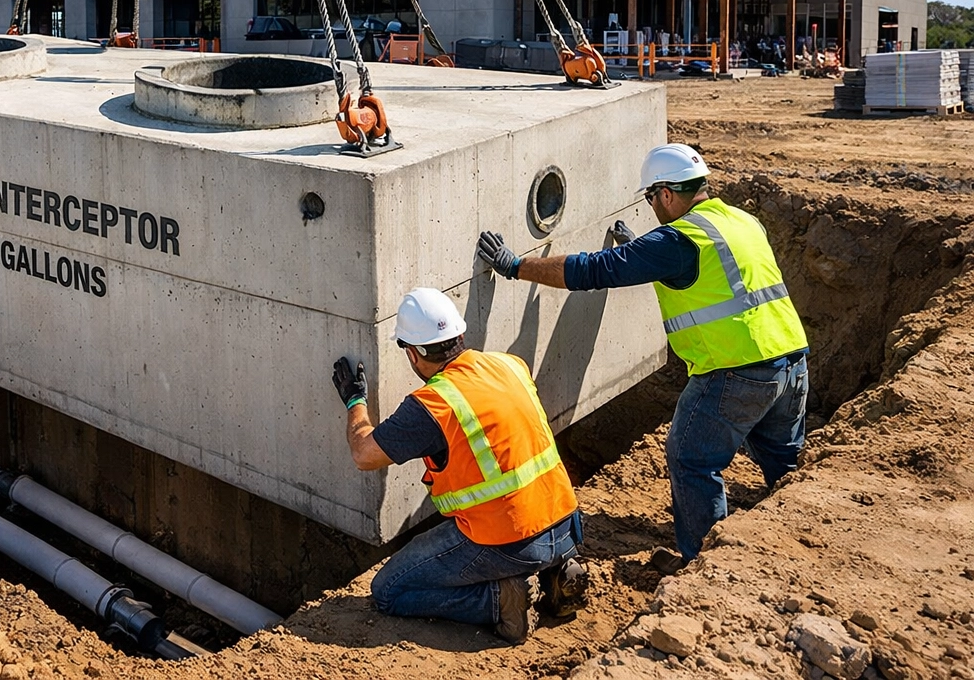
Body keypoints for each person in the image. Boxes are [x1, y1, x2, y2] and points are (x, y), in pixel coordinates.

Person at [476, 143, 809, 573]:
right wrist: (644, 254)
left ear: (666, 194)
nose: (652, 207)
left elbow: (593, 270)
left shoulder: (677, 239)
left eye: (651, 198)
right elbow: (713, 277)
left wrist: (515, 265)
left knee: (691, 459)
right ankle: (794, 546)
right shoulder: (740, 220)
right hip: (790, 360)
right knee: (784, 462)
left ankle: (701, 570)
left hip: (734, 370)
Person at [332, 287, 588, 644]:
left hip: (508, 540)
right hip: (565, 524)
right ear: (459, 335)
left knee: (389, 590)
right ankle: (554, 571)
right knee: (514, 537)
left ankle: (499, 602)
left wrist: (355, 400)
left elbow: (364, 454)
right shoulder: (509, 364)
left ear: (413, 354)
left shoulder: (433, 404)